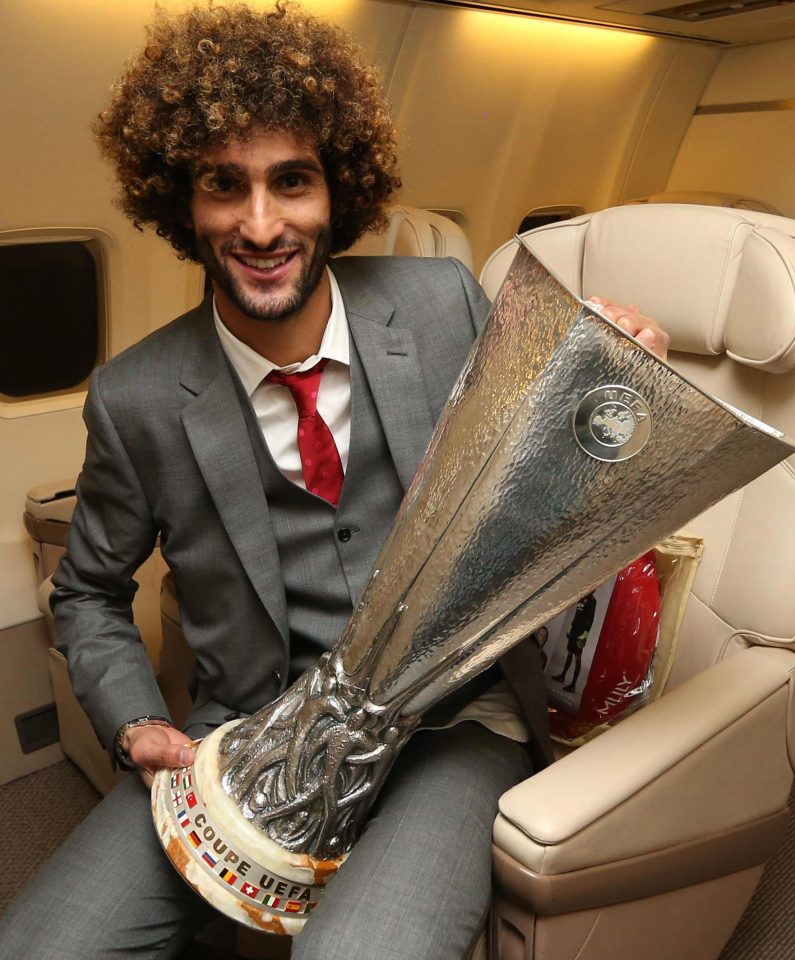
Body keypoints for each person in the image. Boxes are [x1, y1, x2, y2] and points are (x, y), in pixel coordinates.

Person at [0, 4, 669, 959]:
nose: (261, 224)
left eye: (292, 181)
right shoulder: (136, 397)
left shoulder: (442, 305)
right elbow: (90, 592)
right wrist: (138, 722)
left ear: (337, 191)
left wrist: (614, 383)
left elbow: (545, 472)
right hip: (243, 738)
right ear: (180, 204)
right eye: (223, 185)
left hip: (449, 720)